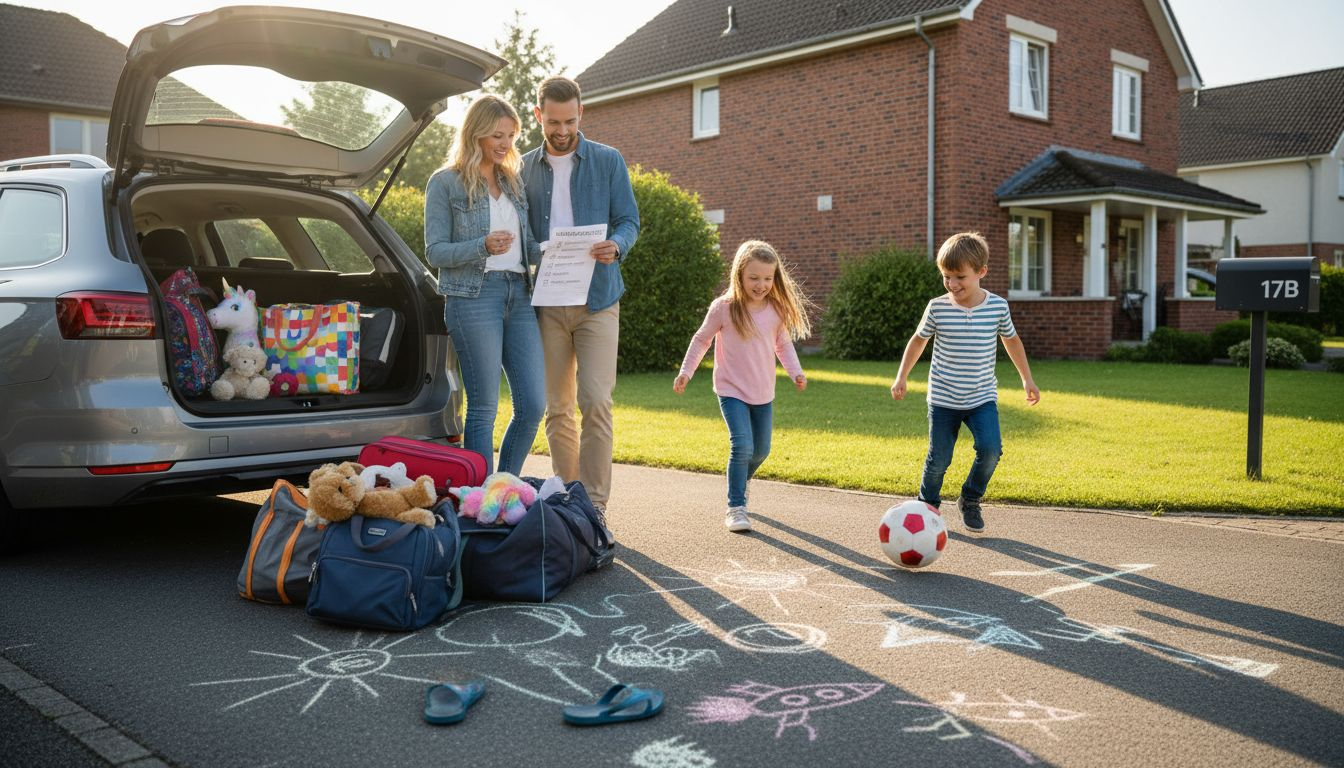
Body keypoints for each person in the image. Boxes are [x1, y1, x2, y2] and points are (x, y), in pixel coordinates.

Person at [521, 76, 640, 515]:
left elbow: (629, 220)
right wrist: (539, 249)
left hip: (599, 300)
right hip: (549, 304)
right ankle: (569, 498)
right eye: (553, 122)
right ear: (538, 116)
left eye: (570, 120)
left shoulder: (608, 161)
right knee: (558, 407)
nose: (562, 130)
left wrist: (617, 244)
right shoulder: (523, 169)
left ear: (581, 114)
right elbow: (521, 235)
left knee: (595, 400)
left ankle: (594, 506)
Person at [424, 94, 545, 476]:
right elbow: (435, 251)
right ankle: (480, 498)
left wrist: (551, 250)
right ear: (475, 132)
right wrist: (482, 246)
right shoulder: (445, 183)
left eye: (511, 135)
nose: (506, 144)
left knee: (533, 404)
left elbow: (526, 244)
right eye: (497, 135)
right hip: (474, 298)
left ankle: (504, 485)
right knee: (483, 408)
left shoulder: (513, 181)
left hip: (520, 295)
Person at [890, 232, 1040, 535]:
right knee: (939, 459)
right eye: (946, 276)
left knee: (991, 449)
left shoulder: (997, 307)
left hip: (981, 396)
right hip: (944, 398)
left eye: (960, 276)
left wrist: (1027, 379)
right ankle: (926, 507)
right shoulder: (938, 307)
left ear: (981, 272)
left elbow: (1011, 340)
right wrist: (901, 376)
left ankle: (970, 499)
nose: (952, 284)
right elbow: (918, 341)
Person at [673, 240, 811, 533]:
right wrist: (686, 372)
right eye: (754, 278)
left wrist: (796, 372)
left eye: (767, 278)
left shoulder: (775, 309)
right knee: (742, 445)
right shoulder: (724, 308)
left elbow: (783, 345)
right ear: (739, 275)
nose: (761, 284)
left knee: (761, 450)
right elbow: (701, 340)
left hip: (763, 392)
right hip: (730, 389)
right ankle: (736, 506)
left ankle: (742, 480)